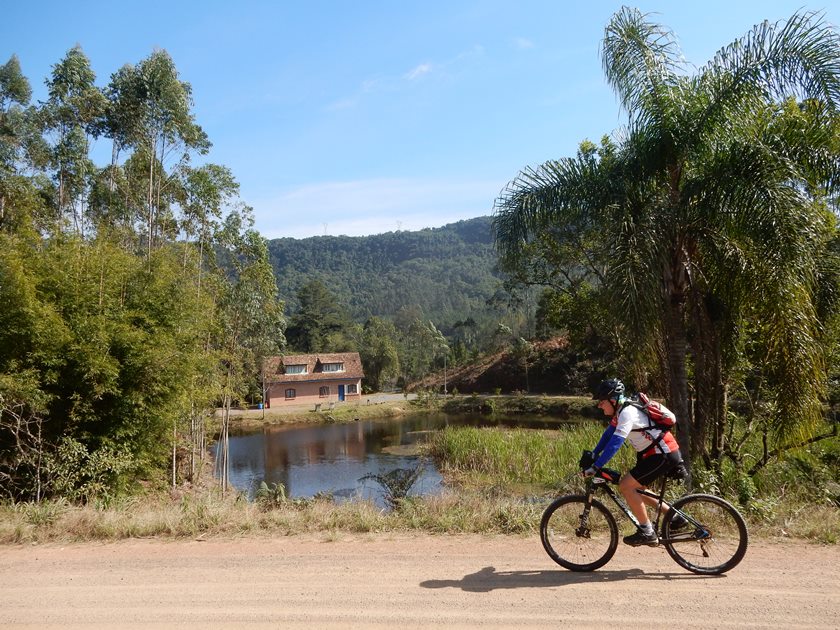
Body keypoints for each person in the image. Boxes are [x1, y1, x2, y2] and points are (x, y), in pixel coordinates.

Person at [586, 378, 686, 546]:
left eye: (602, 402)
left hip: (663, 453)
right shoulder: (620, 412)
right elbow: (608, 435)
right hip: (656, 454)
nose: (599, 406)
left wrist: (596, 466)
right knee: (638, 490)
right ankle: (675, 518)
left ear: (613, 400)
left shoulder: (627, 413)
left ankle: (647, 532)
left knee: (626, 486)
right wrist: (594, 454)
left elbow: (616, 443)